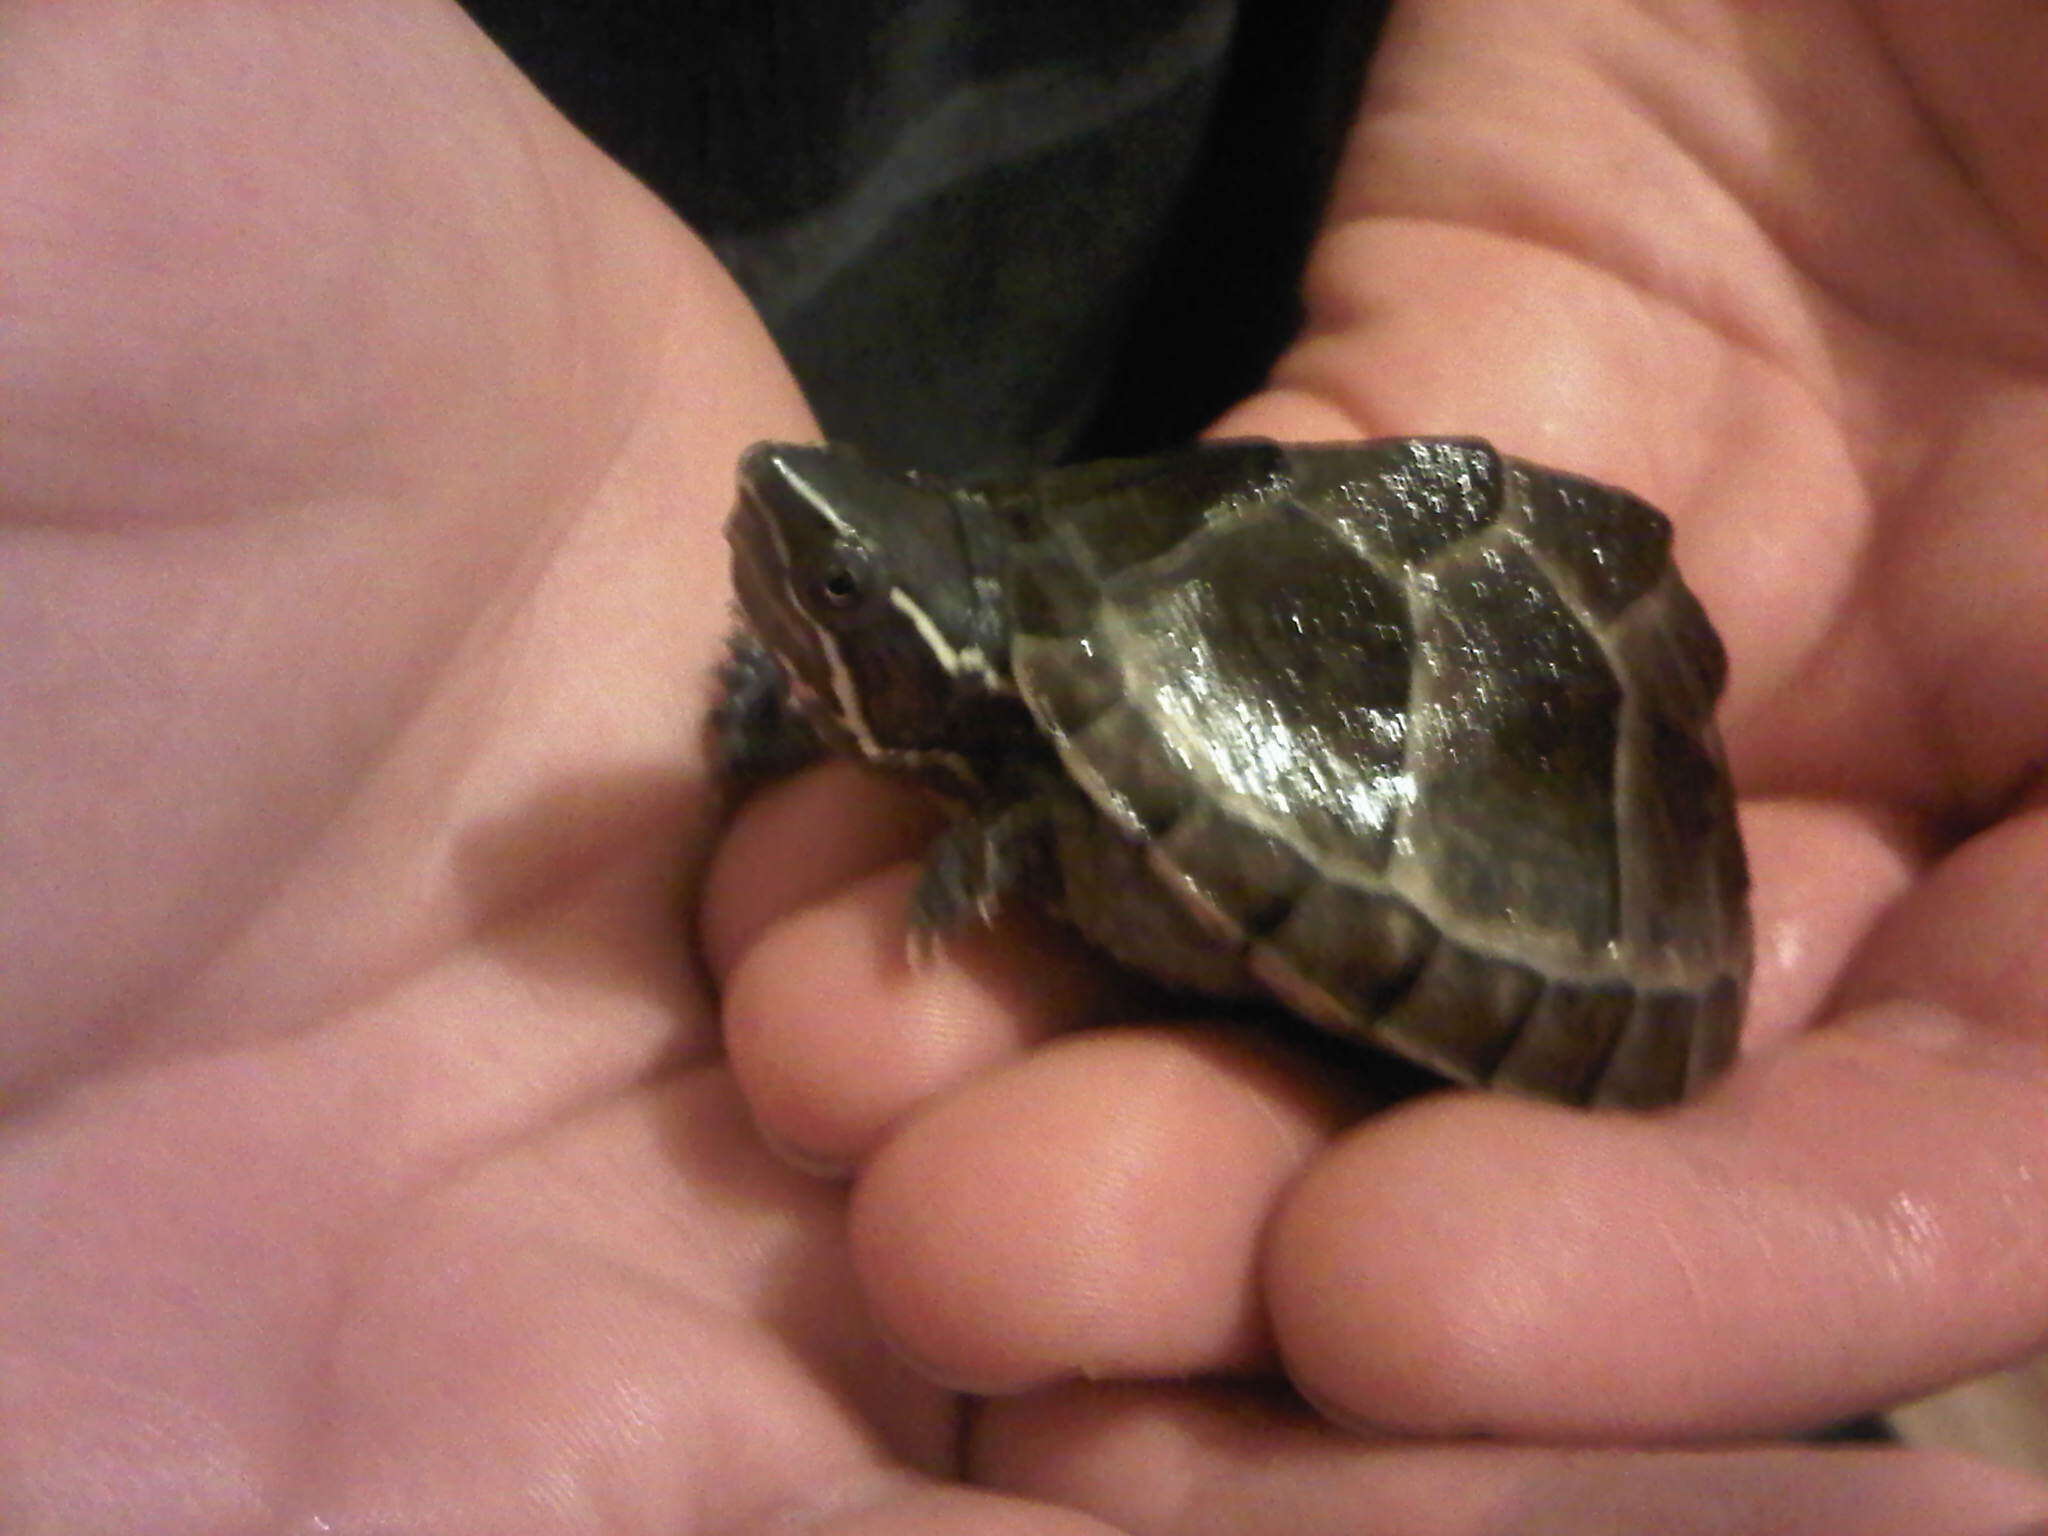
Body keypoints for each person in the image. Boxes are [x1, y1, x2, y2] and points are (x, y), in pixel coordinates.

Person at [4, 5, 2045, 1531]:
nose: (780, 541)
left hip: (1338, 230)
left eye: (824, 587)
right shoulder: (974, 682)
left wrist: (1013, 837)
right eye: (817, 568)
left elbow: (1096, 783)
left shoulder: (1059, 766)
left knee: (1550, 1359)